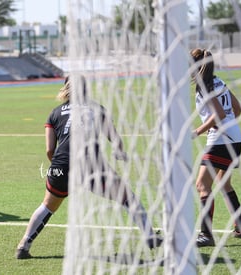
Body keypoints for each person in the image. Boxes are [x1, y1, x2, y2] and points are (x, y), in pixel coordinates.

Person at [15, 76, 162, 259]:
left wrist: (61, 168)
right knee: (127, 197)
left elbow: (49, 149)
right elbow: (115, 140)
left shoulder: (55, 113)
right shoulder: (97, 109)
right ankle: (149, 235)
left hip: (60, 164)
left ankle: (23, 246)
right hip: (90, 163)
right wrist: (120, 153)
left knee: (47, 206)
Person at [190, 49, 241, 247]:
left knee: (201, 185)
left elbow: (218, 115)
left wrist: (198, 131)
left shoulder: (203, 87)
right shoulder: (219, 82)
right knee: (224, 184)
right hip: (235, 137)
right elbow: (237, 109)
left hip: (221, 140)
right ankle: (240, 228)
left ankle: (206, 235)